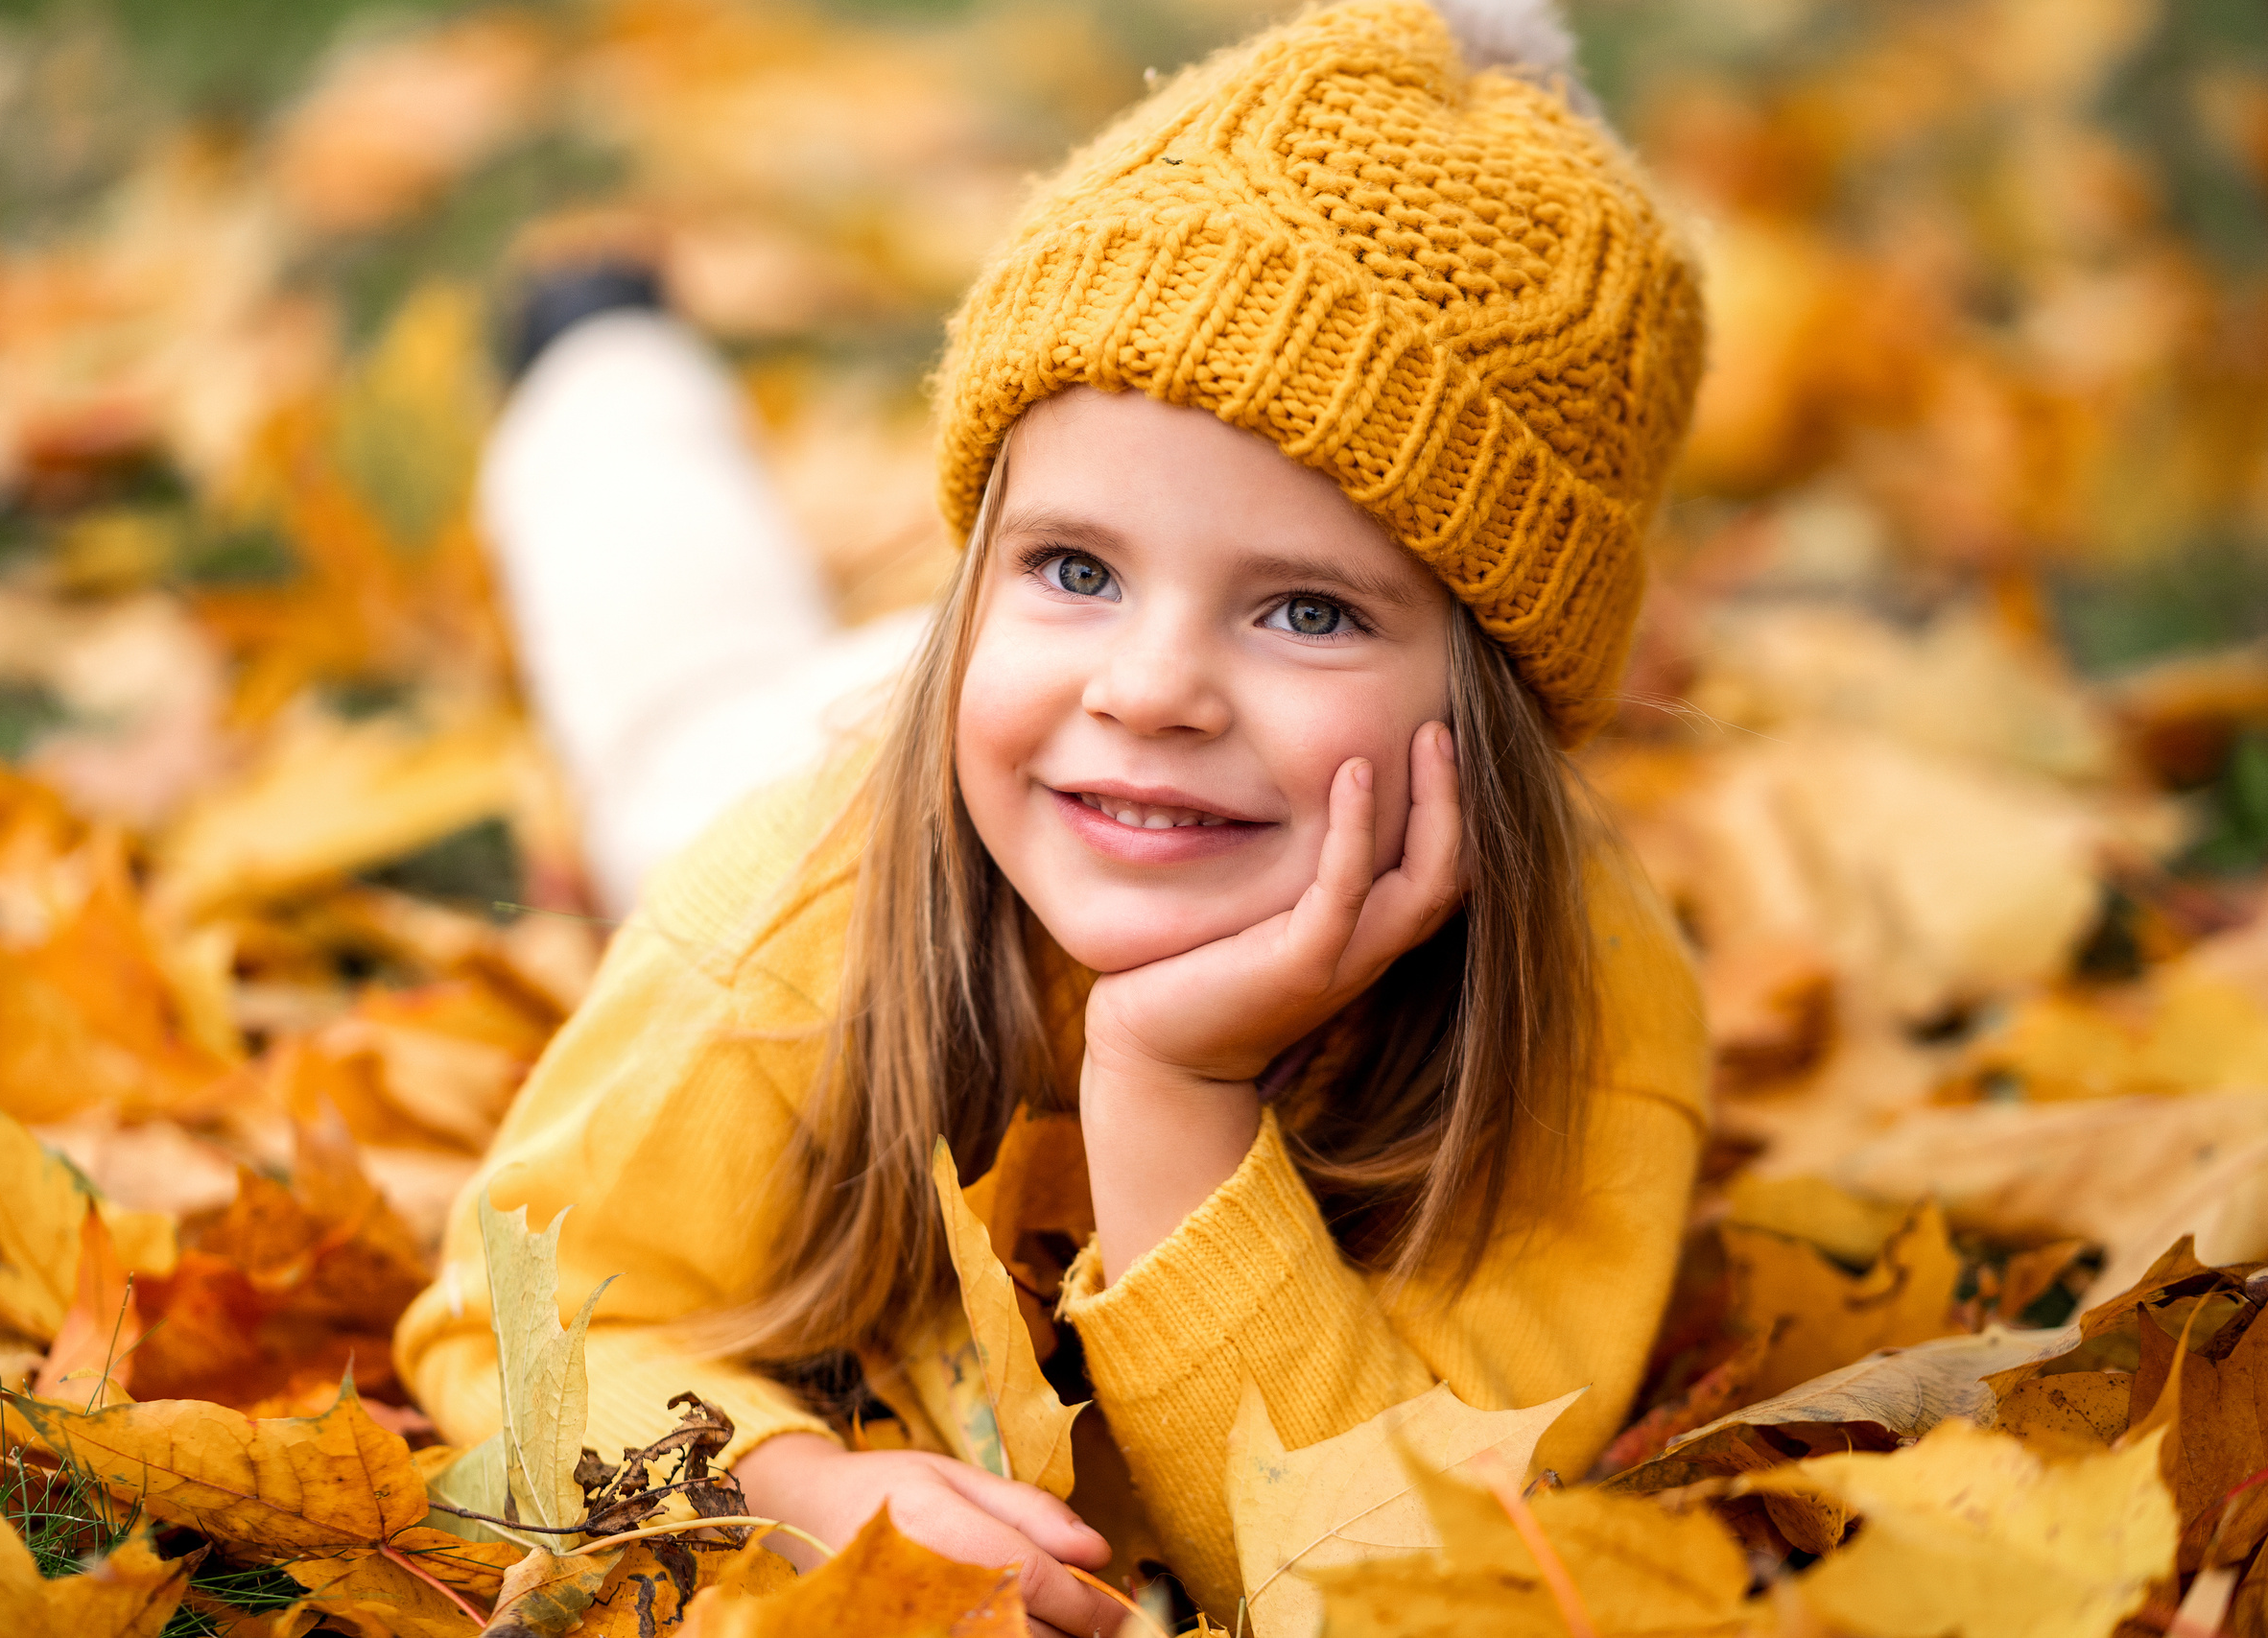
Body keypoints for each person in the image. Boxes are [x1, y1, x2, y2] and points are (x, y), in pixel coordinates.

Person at [394, 2, 1710, 1632]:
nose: (1153, 686)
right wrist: (792, 1495)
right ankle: (601, 356)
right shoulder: (796, 906)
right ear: (985, 572)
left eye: (1307, 609)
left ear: (1492, 699)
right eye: (1074, 562)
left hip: (1079, 771)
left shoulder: (1585, 1011)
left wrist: (1175, 1091)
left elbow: (1398, 1587)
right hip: (875, 751)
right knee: (667, 682)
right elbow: (511, 1329)